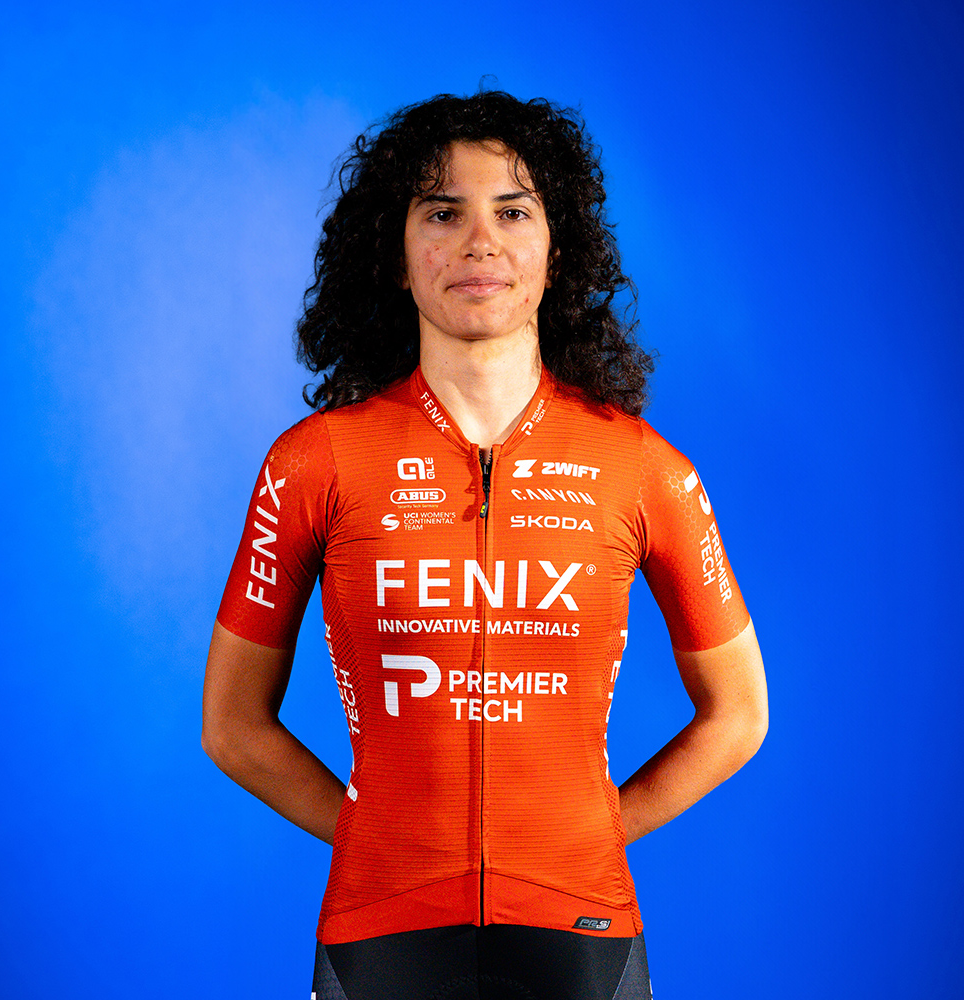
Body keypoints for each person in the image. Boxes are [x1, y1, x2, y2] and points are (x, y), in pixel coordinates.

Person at [202, 90, 768, 1000]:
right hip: (381, 929)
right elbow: (232, 726)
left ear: (555, 250)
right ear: (395, 255)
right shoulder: (314, 462)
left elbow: (738, 713)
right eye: (442, 212)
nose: (479, 242)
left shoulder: (642, 468)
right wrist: (376, 837)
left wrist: (591, 832)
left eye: (512, 211)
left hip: (581, 932)